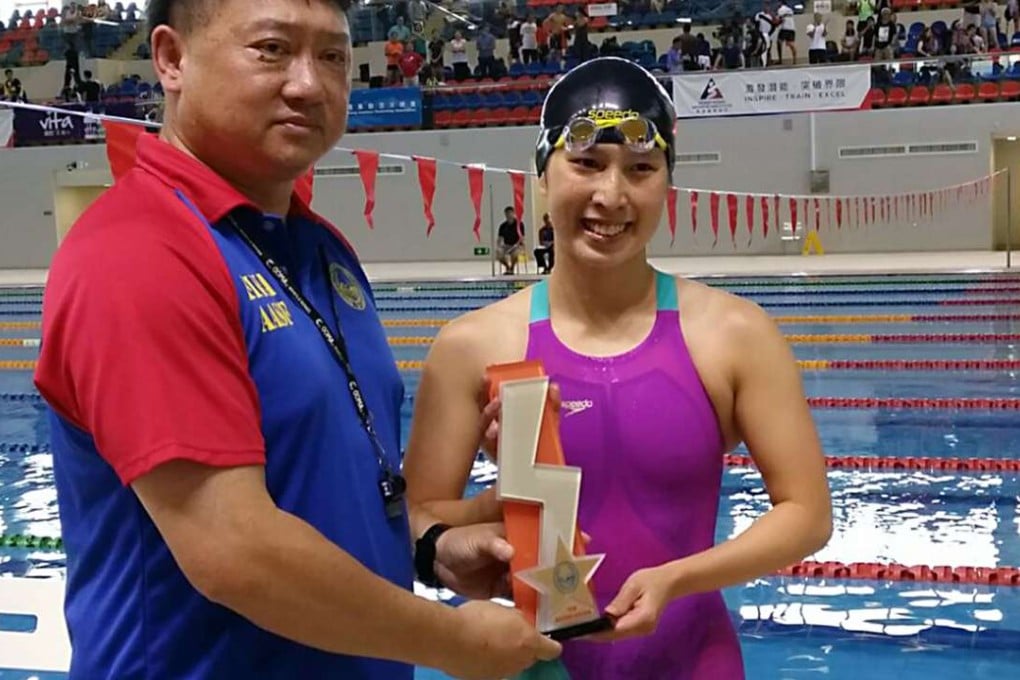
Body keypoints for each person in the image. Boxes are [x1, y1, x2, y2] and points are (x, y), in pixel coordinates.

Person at [32, 0, 560, 678]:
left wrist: (429, 550)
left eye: (333, 56)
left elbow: (339, 488)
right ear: (171, 59)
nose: (309, 84)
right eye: (272, 49)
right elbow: (233, 549)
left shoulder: (321, 250)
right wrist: (453, 641)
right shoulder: (140, 250)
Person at [402, 56, 832, 679]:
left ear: (667, 184)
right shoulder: (471, 346)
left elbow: (808, 513)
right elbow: (416, 520)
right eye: (586, 164)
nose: (612, 195)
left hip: (693, 662)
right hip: (535, 668)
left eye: (640, 169)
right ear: (542, 176)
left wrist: (677, 579)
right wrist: (497, 507)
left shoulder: (734, 335)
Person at [497, 206, 525, 275]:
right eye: (507, 214)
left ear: (513, 213)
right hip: (506, 245)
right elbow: (500, 238)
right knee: (499, 254)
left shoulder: (519, 224)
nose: (508, 215)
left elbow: (521, 237)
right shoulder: (503, 226)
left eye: (510, 213)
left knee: (515, 254)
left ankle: (512, 268)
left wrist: (516, 245)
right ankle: (507, 267)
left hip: (517, 245)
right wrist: (500, 245)